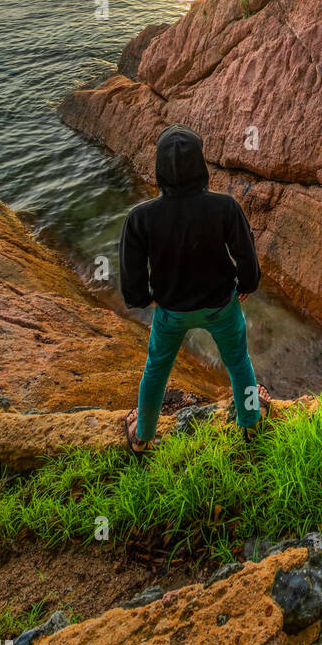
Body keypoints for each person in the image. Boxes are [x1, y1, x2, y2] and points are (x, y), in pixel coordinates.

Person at [119, 124, 270, 454]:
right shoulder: (224, 207)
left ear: (160, 169)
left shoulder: (140, 217)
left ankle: (142, 435)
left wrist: (145, 298)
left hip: (171, 311)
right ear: (201, 164)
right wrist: (247, 283)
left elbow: (131, 277)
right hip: (221, 307)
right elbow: (245, 252)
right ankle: (251, 422)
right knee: (239, 363)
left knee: (156, 370)